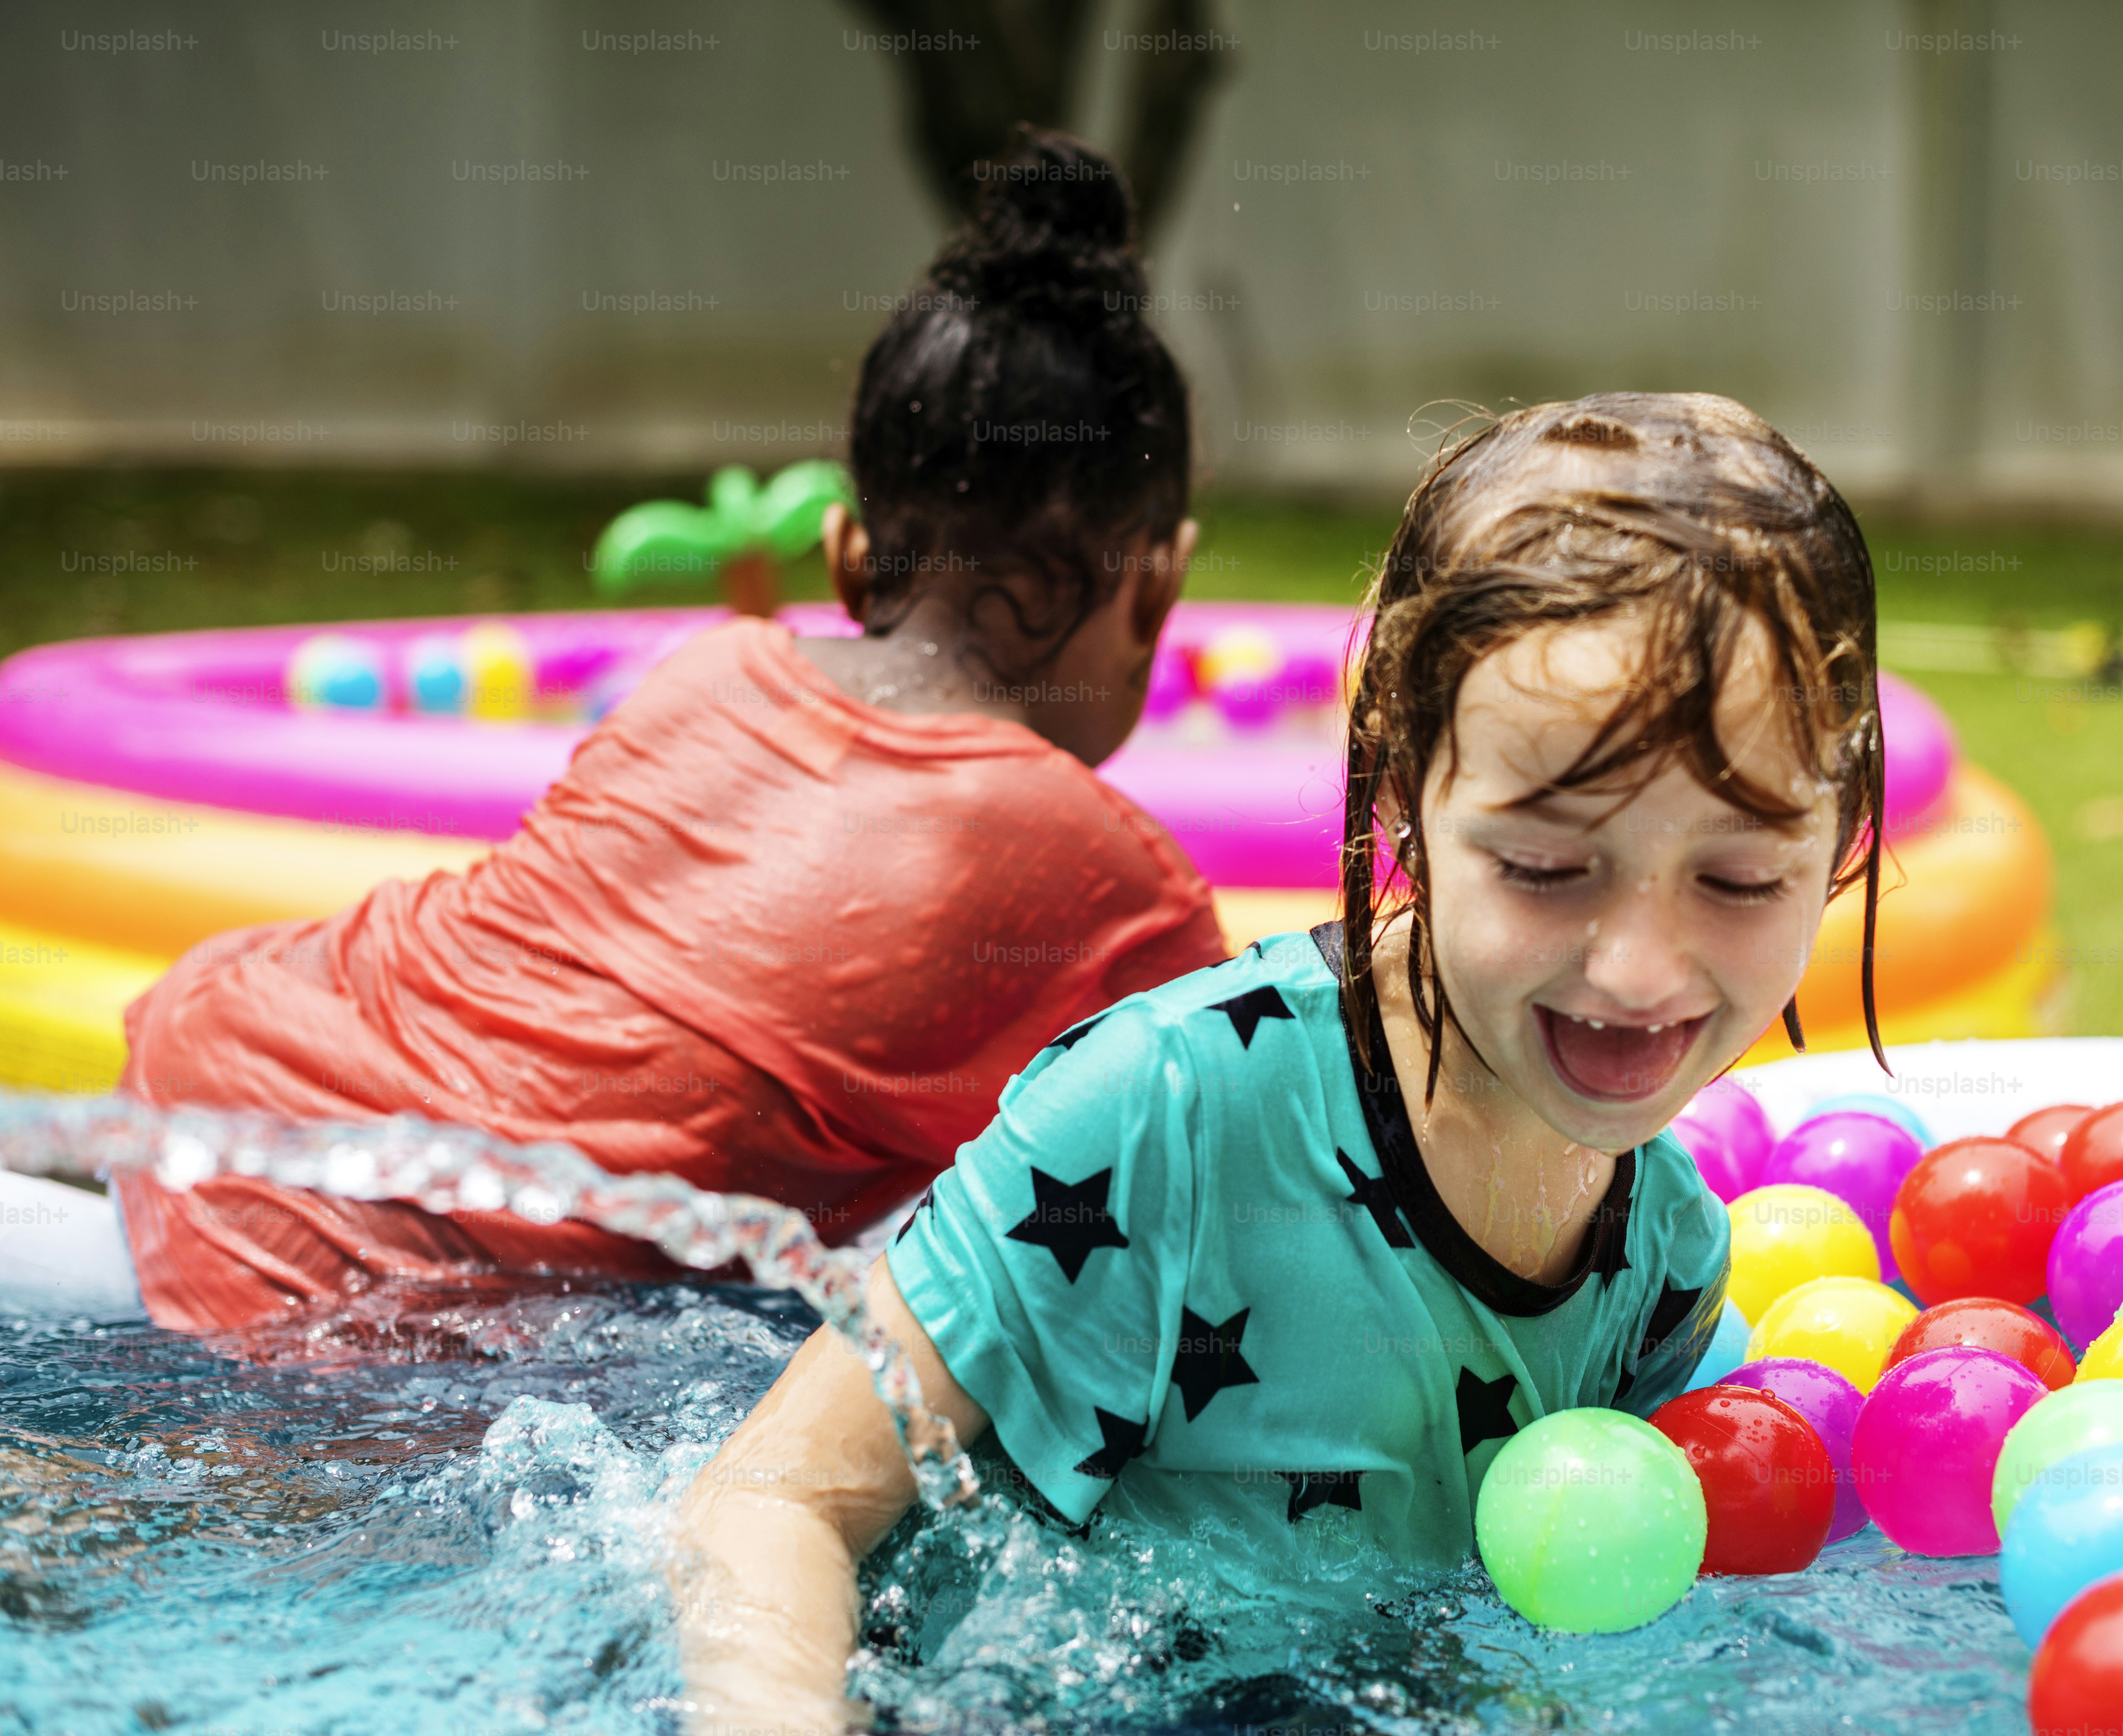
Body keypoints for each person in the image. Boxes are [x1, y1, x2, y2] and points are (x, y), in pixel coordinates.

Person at [669, 391, 1890, 1732]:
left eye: (1735, 877)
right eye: (1544, 869)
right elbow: (771, 1499)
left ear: (1843, 840)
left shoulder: (1659, 1258)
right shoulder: (1168, 1116)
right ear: (1401, 800)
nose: (1639, 970)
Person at [110, 129, 1228, 1334]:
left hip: (218, 1072)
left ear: (848, 558)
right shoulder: (1116, 889)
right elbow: (1250, 1206)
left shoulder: (712, 669)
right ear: (1158, 586)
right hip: (399, 1283)